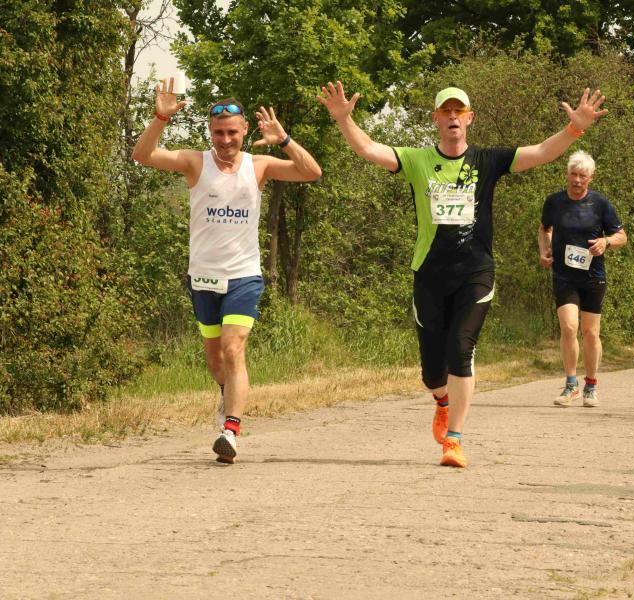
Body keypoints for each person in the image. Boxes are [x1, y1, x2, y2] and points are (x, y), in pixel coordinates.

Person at [318, 81, 607, 468]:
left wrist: (575, 128)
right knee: (432, 374)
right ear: (435, 119)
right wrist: (344, 119)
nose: (453, 117)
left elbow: (541, 152)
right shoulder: (418, 160)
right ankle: (442, 402)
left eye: (459, 111)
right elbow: (369, 148)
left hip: (475, 272)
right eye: (446, 111)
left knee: (461, 349)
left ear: (470, 118)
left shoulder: (487, 160)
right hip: (430, 274)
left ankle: (453, 440)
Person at [132, 78, 322, 463]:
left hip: (243, 276)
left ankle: (230, 431)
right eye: (219, 132)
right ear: (210, 131)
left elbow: (311, 172)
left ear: (245, 130)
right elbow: (142, 155)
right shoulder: (195, 162)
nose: (225, 139)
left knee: (234, 349)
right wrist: (160, 118)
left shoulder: (259, 165)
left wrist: (284, 140)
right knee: (216, 361)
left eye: (232, 132)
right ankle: (227, 394)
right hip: (203, 277)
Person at [538, 151, 627, 408]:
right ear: (567, 174)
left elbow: (621, 236)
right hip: (564, 275)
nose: (577, 180)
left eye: (583, 176)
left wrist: (606, 242)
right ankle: (570, 385)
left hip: (592, 277)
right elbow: (544, 229)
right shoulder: (554, 201)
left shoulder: (600, 204)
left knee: (590, 332)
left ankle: (591, 386)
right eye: (573, 174)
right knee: (568, 327)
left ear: (591, 178)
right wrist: (544, 250)